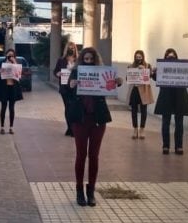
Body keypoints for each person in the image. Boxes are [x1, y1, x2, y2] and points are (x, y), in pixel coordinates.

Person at [67, 47, 121, 207]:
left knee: (94, 156)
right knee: (81, 155)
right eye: (86, 59)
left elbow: (110, 87)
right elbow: (66, 93)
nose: (88, 62)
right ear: (81, 59)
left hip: (98, 119)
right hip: (80, 120)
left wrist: (118, 81)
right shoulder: (76, 72)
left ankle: (91, 191)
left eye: (91, 59)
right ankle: (79, 190)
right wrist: (71, 85)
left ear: (95, 60)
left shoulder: (102, 73)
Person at [153, 48, 188, 155]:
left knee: (179, 124)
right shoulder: (161, 68)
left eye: (173, 57)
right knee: (165, 123)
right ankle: (165, 146)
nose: (171, 58)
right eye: (168, 57)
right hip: (166, 97)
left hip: (180, 97)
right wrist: (154, 72)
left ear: (177, 58)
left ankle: (179, 146)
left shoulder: (182, 67)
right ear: (165, 58)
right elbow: (155, 77)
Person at [0, 49, 23, 134]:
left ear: (14, 56)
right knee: (3, 107)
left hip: (13, 88)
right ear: (6, 55)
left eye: (12, 55)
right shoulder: (1, 63)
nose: (10, 57)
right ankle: (2, 127)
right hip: (4, 88)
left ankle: (11, 127)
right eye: (9, 55)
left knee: (12, 108)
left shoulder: (16, 63)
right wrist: (3, 67)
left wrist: (14, 63)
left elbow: (19, 76)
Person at [53, 41, 79, 136]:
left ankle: (73, 128)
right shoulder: (61, 60)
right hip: (64, 88)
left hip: (76, 88)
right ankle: (70, 128)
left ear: (75, 49)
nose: (71, 49)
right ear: (66, 49)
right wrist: (57, 74)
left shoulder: (78, 60)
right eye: (69, 47)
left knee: (74, 108)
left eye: (73, 47)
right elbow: (55, 71)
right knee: (68, 108)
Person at [127, 50, 153, 140]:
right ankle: (135, 129)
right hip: (135, 90)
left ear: (143, 57)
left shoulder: (147, 66)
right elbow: (128, 78)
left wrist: (144, 70)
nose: (138, 59)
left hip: (144, 90)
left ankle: (142, 129)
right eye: (137, 57)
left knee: (143, 110)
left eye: (140, 57)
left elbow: (149, 78)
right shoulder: (131, 66)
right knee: (133, 110)